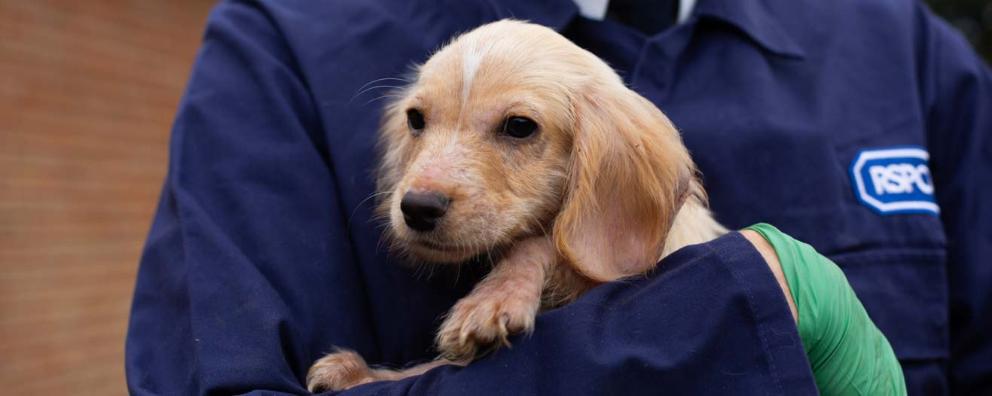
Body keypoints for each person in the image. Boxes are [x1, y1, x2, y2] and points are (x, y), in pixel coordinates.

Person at [125, 0, 991, 394]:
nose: (424, 179)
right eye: (418, 124)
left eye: (516, 129)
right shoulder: (282, 44)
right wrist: (734, 315)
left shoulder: (911, 51)